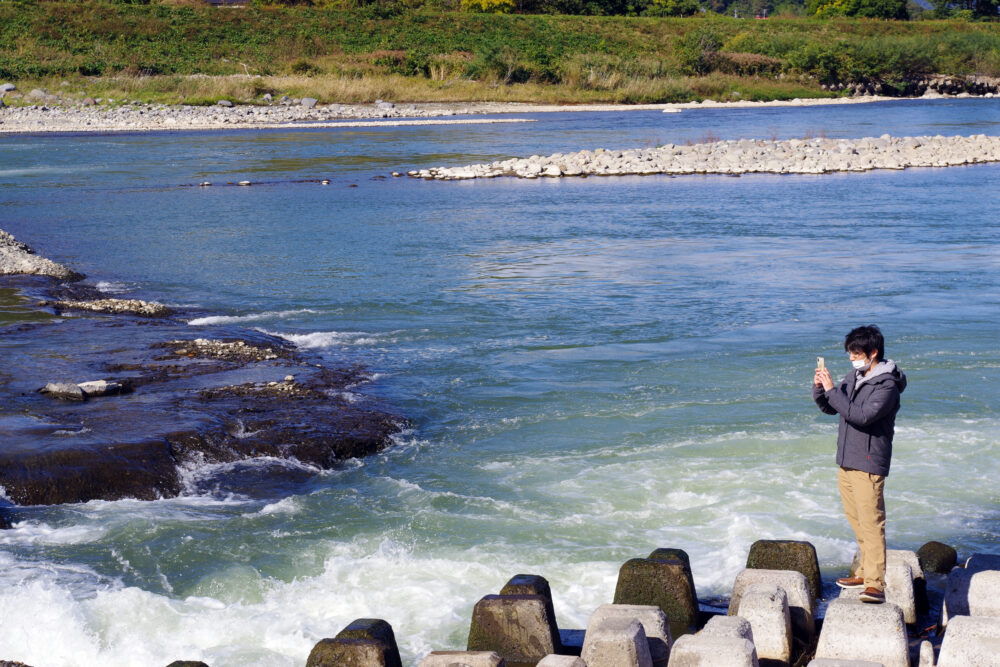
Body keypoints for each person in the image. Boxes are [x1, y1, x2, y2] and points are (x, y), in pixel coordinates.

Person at [813, 325, 907, 604]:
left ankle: (876, 583)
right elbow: (832, 406)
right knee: (857, 521)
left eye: (856, 353)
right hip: (847, 459)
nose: (852, 358)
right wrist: (820, 389)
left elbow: (862, 416)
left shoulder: (887, 385)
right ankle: (865, 571)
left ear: (873, 352)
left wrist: (832, 390)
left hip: (869, 462)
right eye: (850, 353)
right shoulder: (854, 377)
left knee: (872, 522)